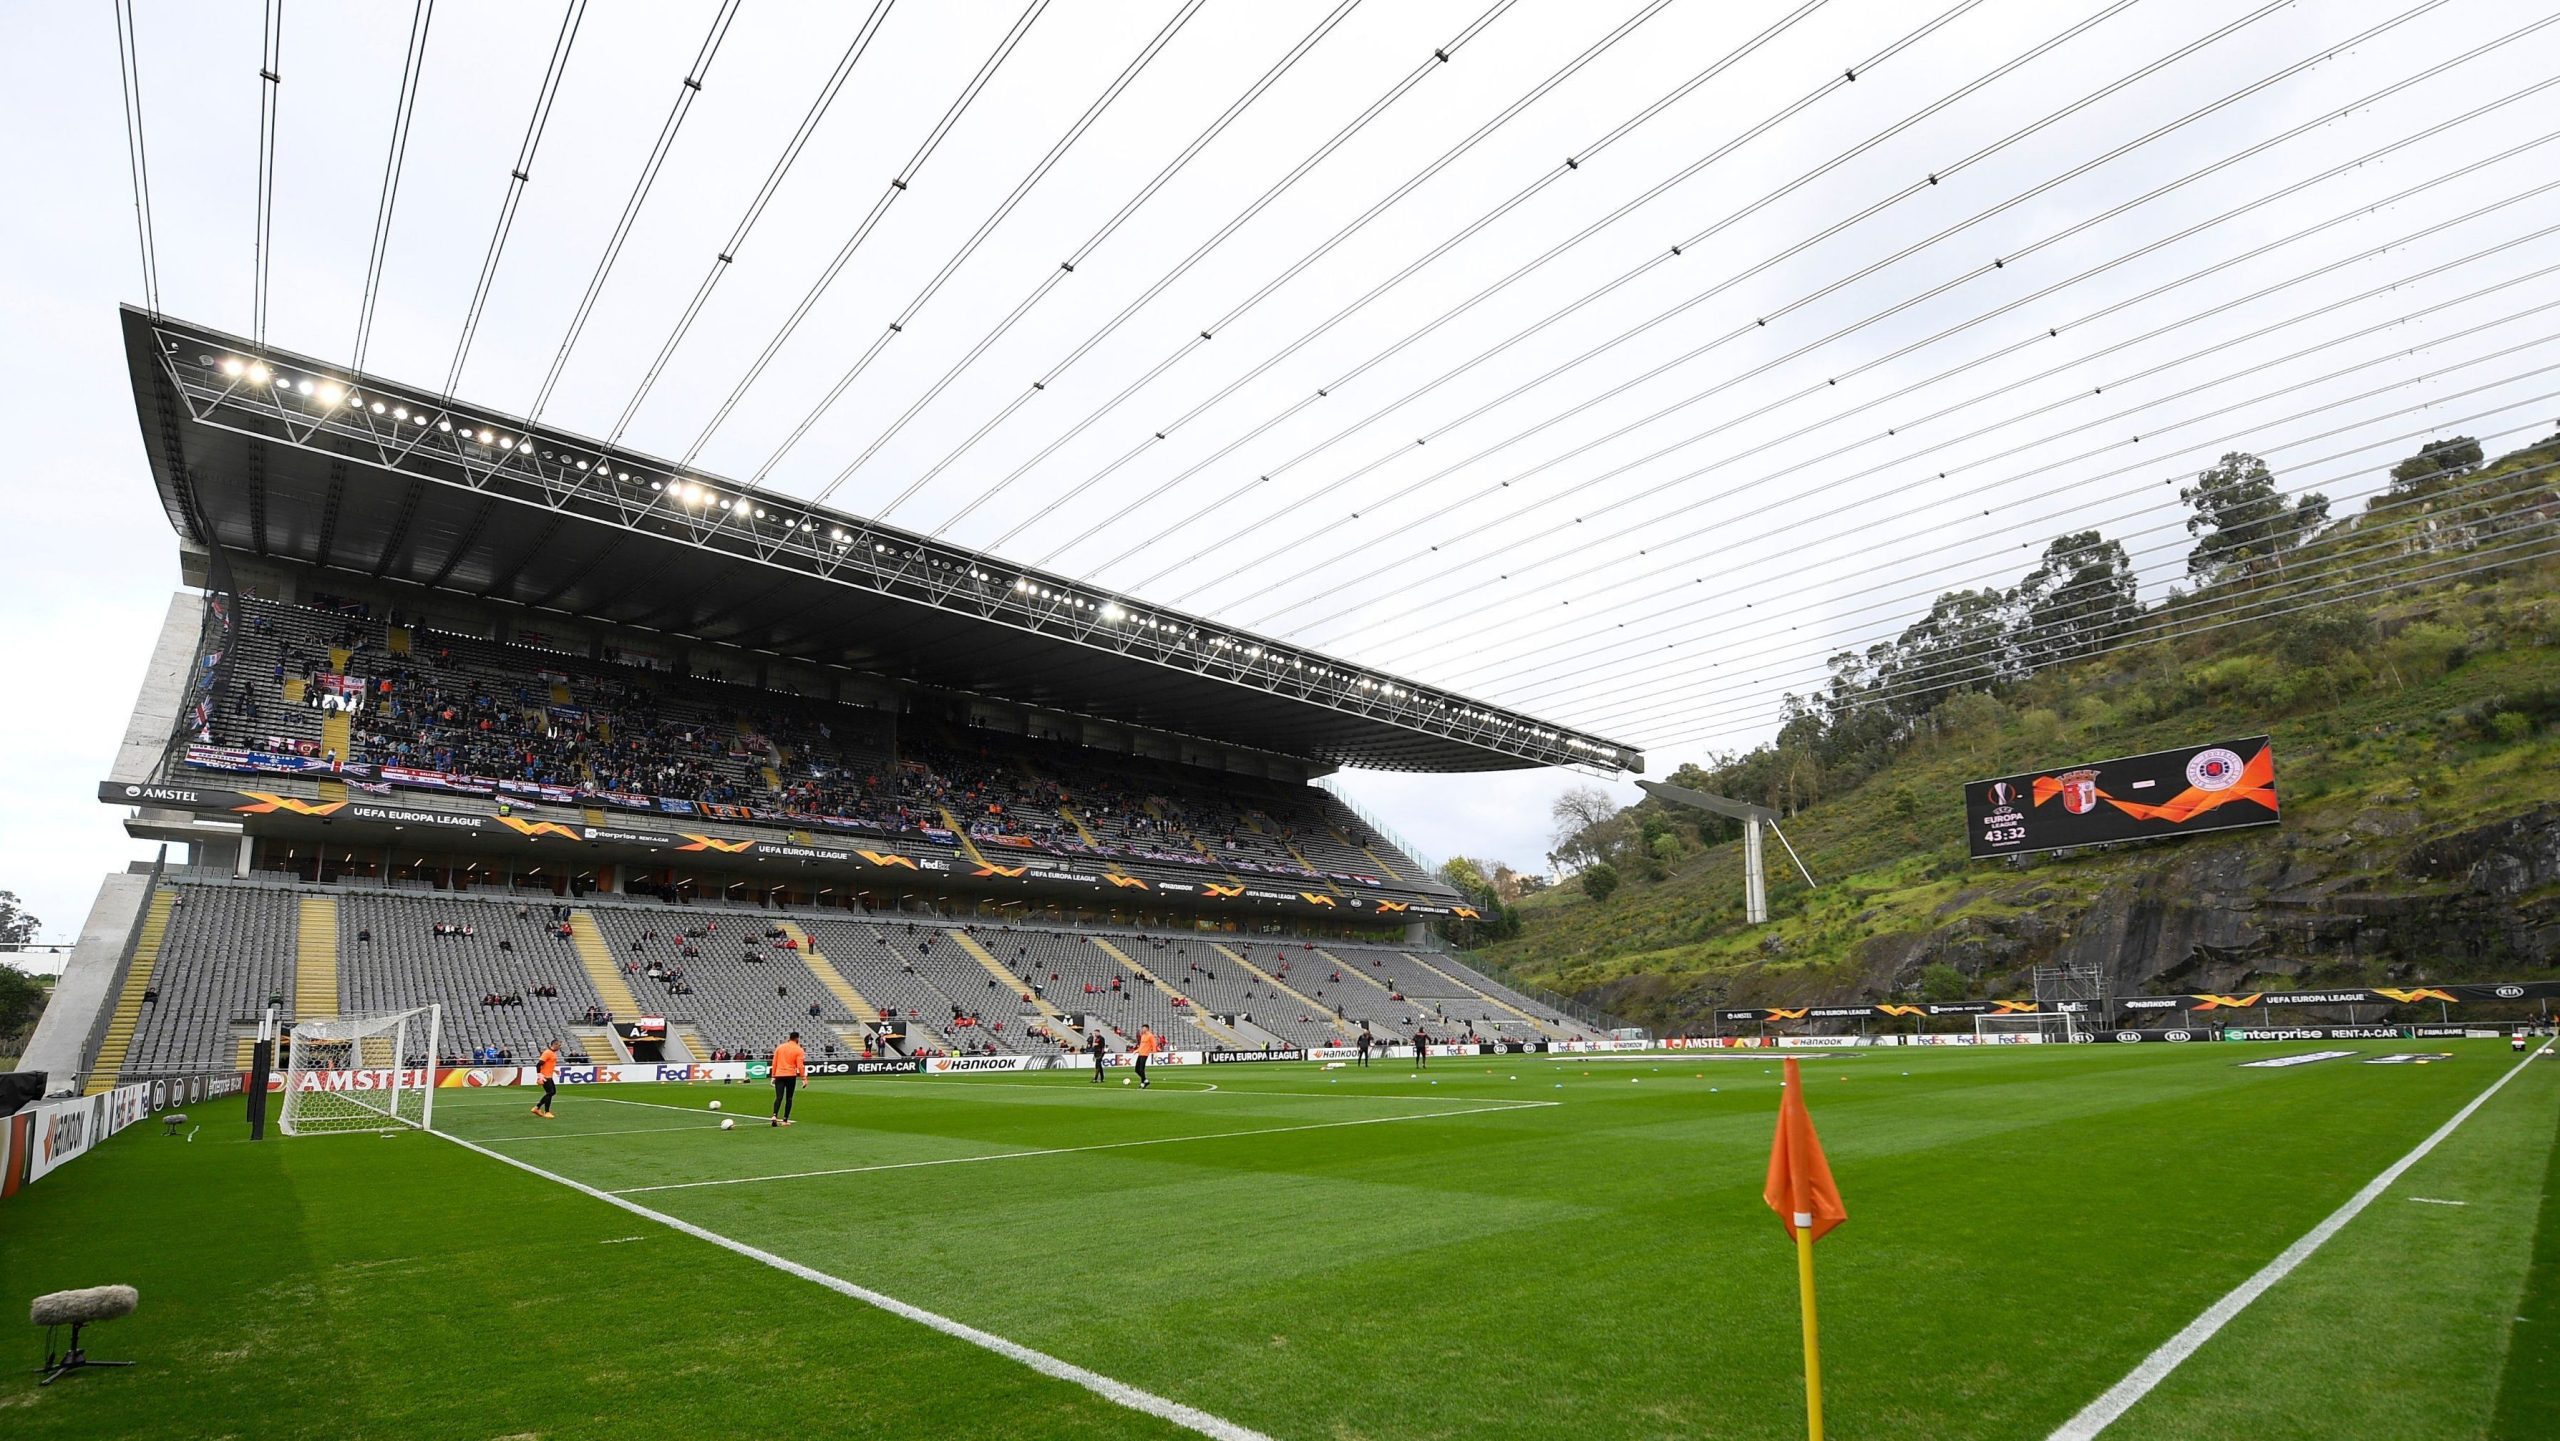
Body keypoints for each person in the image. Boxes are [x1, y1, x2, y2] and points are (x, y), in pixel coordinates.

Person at [771, 1031, 806, 1127]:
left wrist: (773, 1076)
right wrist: (804, 1078)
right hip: (790, 1075)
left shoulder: (780, 1047)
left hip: (779, 1074)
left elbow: (774, 1063)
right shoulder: (799, 1049)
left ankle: (774, 1115)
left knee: (779, 1097)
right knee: (789, 1098)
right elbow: (800, 1065)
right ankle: (785, 1120)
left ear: (789, 1037)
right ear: (797, 1039)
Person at [530, 1042, 560, 1119]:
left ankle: (537, 1108)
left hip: (549, 1076)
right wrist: (539, 1075)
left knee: (552, 1092)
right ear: (554, 1044)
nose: (559, 1047)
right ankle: (546, 1111)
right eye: (558, 1045)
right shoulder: (547, 1053)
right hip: (545, 1076)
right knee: (550, 1092)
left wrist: (554, 1070)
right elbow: (539, 1064)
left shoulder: (553, 1053)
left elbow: (548, 1065)